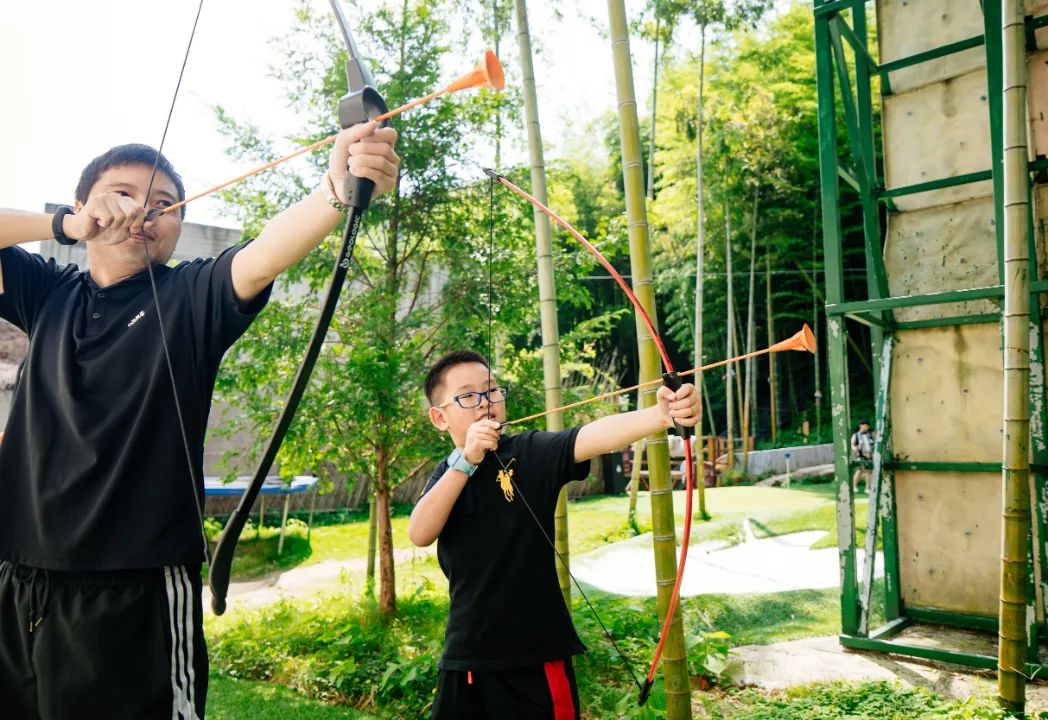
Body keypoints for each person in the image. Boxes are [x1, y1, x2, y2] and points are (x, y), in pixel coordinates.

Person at [0, 122, 399, 719]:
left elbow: (261, 257)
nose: (143, 211)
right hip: (17, 573)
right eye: (124, 193)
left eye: (165, 205)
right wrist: (63, 225)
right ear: (85, 206)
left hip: (133, 590)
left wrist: (337, 192)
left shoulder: (191, 296)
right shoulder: (49, 292)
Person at [410, 351, 702, 720]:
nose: (485, 404)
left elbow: (589, 437)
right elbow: (420, 532)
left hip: (537, 657)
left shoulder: (528, 453)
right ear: (439, 417)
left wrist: (661, 415)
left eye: (491, 391)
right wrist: (466, 462)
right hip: (466, 660)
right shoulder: (447, 475)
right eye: (468, 396)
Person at [850, 418, 875, 493]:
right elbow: (853, 444)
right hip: (860, 455)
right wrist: (855, 449)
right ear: (861, 426)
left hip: (870, 455)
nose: (867, 427)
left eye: (867, 426)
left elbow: (874, 443)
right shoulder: (856, 435)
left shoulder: (871, 434)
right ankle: (865, 488)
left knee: (864, 471)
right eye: (865, 425)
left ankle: (864, 487)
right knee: (863, 470)